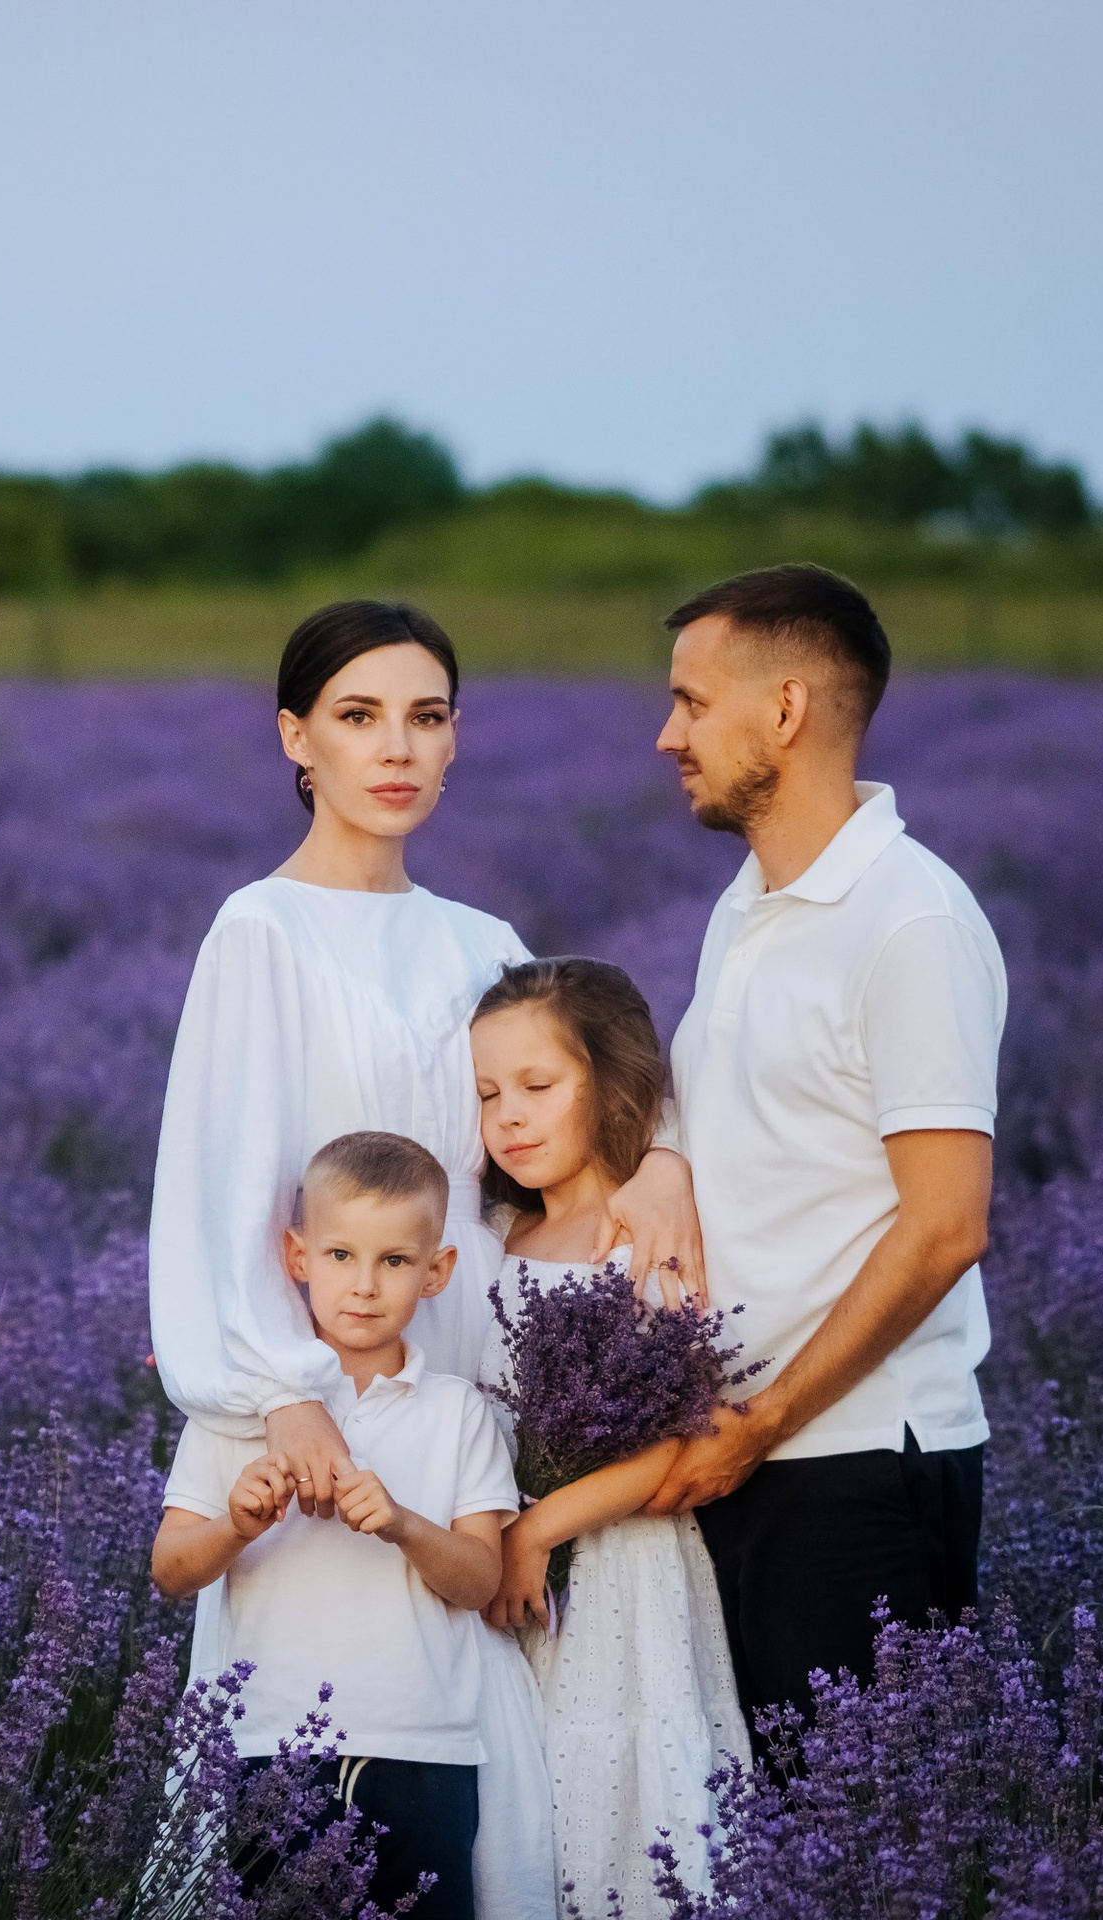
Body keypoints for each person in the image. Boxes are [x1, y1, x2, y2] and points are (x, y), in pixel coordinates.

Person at [148, 598, 705, 1918]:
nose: (395, 748)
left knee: (493, 1783)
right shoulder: (260, 932)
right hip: (312, 1418)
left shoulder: (479, 944)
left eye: (427, 717)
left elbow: (591, 1085)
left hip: (467, 1419)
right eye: (358, 716)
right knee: (308, 1767)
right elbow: (218, 1194)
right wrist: (284, 1395)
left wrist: (666, 1160)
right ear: (298, 738)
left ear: (456, 745)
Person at [638, 564, 1006, 1736]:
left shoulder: (909, 921)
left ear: (784, 712)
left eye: (692, 703)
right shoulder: (746, 902)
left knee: (849, 1844)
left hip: (856, 1463)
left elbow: (946, 1224)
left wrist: (762, 1423)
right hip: (743, 1454)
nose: (665, 736)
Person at [154, 1132, 518, 1920]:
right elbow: (172, 1571)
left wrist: (402, 1525)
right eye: (341, 1255)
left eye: (393, 1261)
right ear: (296, 1257)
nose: (363, 1285)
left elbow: (481, 1580)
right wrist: (236, 1525)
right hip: (269, 1745)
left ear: (437, 1272)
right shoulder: (240, 1413)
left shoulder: (458, 1413)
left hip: (422, 1747)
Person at [469, 960, 747, 1918]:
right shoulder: (490, 1241)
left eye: (539, 1088)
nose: (510, 1116)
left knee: (628, 1802)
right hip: (509, 1587)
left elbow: (683, 1438)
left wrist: (538, 1531)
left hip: (623, 1573)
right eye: (487, 1094)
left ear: (614, 1083)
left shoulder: (643, 1238)